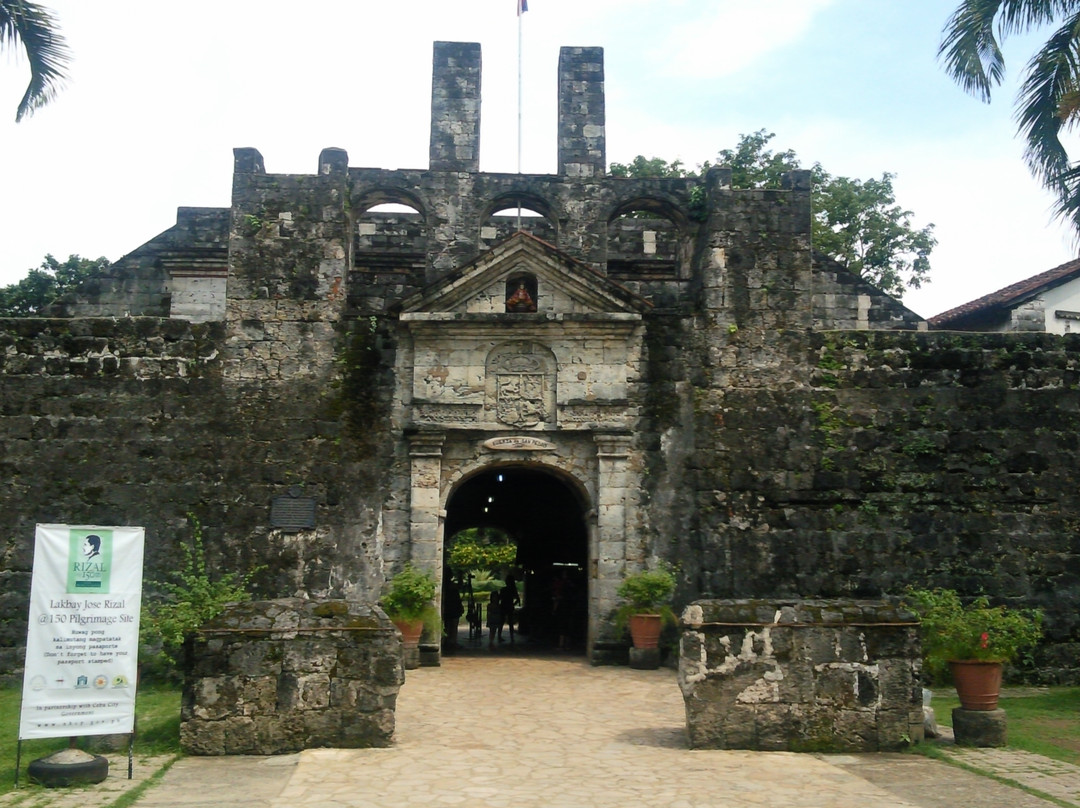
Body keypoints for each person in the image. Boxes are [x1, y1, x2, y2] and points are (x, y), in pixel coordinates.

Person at [499, 573, 521, 644]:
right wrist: (513, 604)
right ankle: (512, 637)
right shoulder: (513, 590)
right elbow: (518, 599)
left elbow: (499, 598)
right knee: (510, 623)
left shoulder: (503, 590)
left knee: (501, 622)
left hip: (503, 606)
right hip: (510, 606)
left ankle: (499, 636)